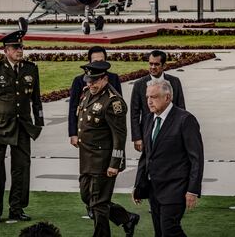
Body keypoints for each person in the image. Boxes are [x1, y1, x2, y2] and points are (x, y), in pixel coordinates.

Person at [0, 29, 44, 223]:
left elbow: (36, 98)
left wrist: (38, 122)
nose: (20, 50)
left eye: (21, 47)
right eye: (16, 47)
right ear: (6, 50)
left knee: (21, 168)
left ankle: (17, 208)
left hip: (23, 125)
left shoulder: (30, 69)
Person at [76, 61, 140, 237]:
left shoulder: (113, 102)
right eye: (88, 81)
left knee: (98, 203)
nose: (90, 85)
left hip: (103, 161)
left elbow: (119, 137)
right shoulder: (87, 93)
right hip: (87, 159)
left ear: (104, 79)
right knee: (86, 197)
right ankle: (127, 219)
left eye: (94, 81)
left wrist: (115, 163)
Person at [133, 79, 204, 237]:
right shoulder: (148, 119)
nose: (149, 101)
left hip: (175, 188)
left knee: (169, 230)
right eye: (147, 97)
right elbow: (146, 156)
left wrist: (193, 190)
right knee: (160, 232)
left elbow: (196, 158)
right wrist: (138, 185)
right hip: (154, 189)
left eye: (154, 97)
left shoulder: (185, 120)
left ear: (168, 97)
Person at [130, 49, 185, 152]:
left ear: (164, 66)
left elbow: (181, 107)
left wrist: (182, 131)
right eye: (150, 64)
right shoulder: (139, 84)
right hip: (148, 131)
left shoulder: (175, 82)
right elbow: (135, 113)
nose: (152, 67)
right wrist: (137, 137)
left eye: (156, 64)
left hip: (171, 131)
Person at [69, 45, 122, 147]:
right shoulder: (79, 81)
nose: (99, 64)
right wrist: (73, 134)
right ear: (89, 62)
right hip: (87, 133)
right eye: (95, 61)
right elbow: (73, 108)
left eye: (101, 61)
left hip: (107, 133)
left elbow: (118, 109)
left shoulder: (113, 78)